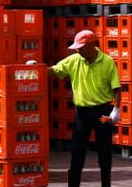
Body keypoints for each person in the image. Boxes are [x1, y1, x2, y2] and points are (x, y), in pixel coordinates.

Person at [47, 29, 121, 187]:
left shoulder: (107, 62)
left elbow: (116, 87)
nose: (78, 51)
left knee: (104, 152)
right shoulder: (74, 60)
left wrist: (116, 109)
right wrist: (38, 68)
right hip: (82, 112)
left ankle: (105, 185)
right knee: (77, 152)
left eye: (81, 48)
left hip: (103, 111)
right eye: (77, 48)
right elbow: (55, 71)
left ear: (92, 45)